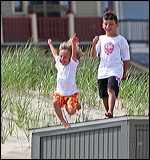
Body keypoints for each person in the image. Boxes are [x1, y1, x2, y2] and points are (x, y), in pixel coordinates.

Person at [91, 10, 130, 118]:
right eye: (106, 24)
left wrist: (124, 72)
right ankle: (108, 112)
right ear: (103, 25)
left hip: (116, 69)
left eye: (111, 24)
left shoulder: (121, 40)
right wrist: (94, 44)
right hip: (103, 69)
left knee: (111, 89)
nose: (108, 26)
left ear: (116, 25)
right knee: (104, 93)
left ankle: (111, 110)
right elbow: (94, 55)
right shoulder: (101, 39)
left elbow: (126, 58)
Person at [48, 33, 84, 129]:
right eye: (61, 57)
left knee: (71, 112)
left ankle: (76, 104)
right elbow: (55, 53)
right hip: (60, 93)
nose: (62, 59)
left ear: (69, 58)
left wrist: (73, 44)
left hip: (71, 94)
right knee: (54, 102)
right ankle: (64, 122)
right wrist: (50, 44)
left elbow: (73, 56)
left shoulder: (72, 65)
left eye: (65, 57)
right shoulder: (59, 64)